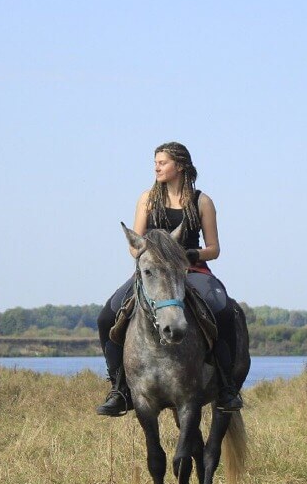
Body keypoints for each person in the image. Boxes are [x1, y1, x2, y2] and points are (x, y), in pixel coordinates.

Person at [94, 142, 243, 416]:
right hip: (152, 272)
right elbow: (134, 244)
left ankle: (227, 387)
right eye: (155, 162)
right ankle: (118, 388)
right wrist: (148, 254)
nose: (156, 167)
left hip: (192, 271)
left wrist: (188, 254)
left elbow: (214, 249)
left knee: (224, 313)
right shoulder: (147, 199)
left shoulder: (202, 201)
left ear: (180, 166)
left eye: (162, 162)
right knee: (106, 317)